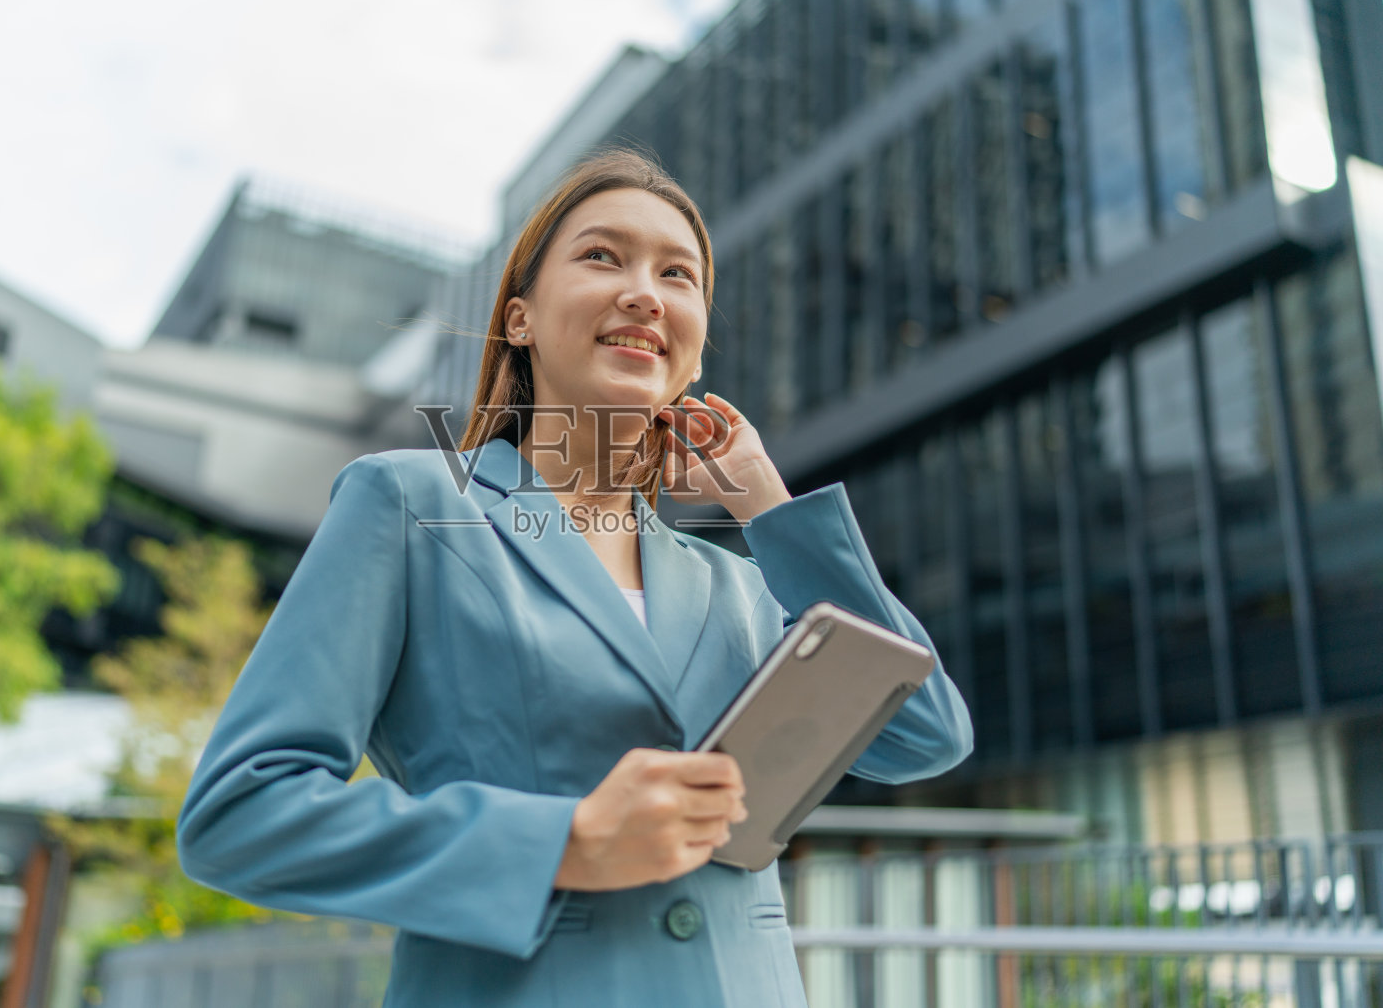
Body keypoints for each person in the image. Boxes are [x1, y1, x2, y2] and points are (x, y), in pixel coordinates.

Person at [175, 148, 973, 1007]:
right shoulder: (409, 504)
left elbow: (925, 732)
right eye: (603, 256)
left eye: (679, 274)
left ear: (695, 349)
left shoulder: (738, 584)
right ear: (518, 319)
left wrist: (769, 507)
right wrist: (565, 841)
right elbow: (240, 814)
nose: (646, 291)